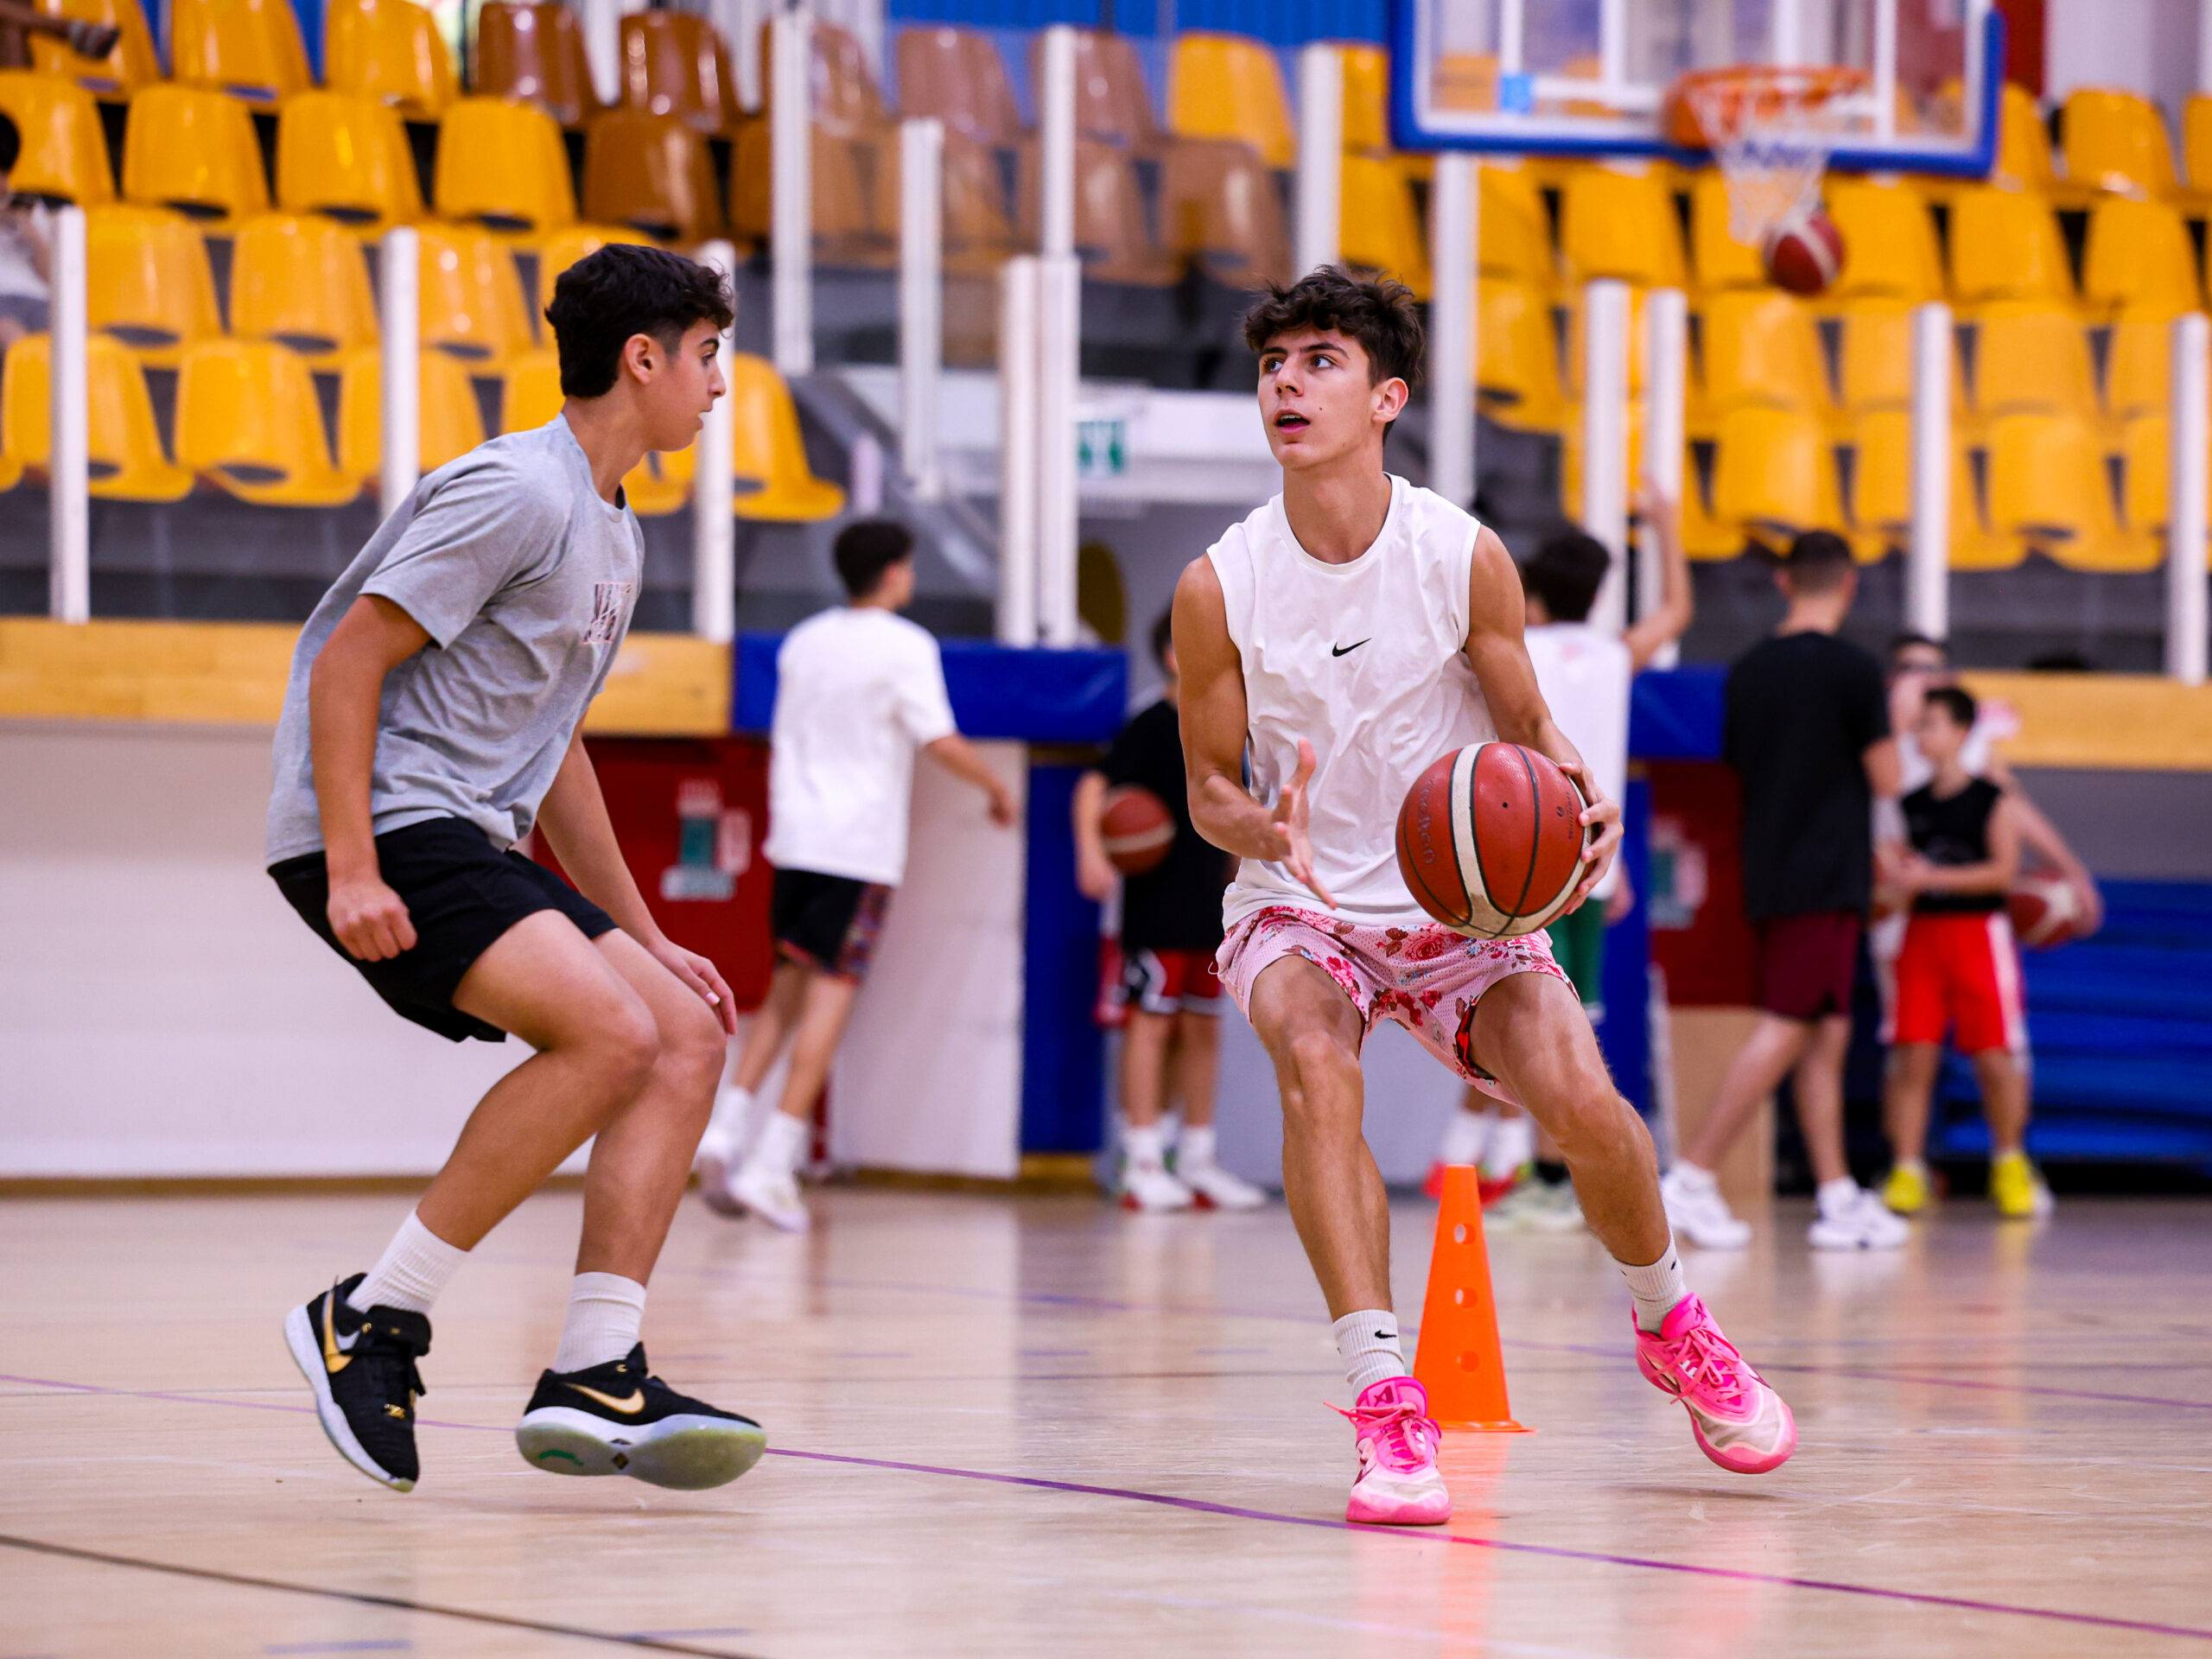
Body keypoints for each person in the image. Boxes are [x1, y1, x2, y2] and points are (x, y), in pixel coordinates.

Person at [1175, 267, 1796, 1528]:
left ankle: (1671, 1319)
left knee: (1584, 1103)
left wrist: (1575, 787)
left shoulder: (1458, 554)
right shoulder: (1219, 584)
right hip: (1299, 900)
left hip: (1459, 905)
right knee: (1314, 1066)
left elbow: (1526, 719)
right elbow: (1207, 789)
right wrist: (1258, 827)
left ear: (1386, 397)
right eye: (1274, 364)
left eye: (1320, 361)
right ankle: (1385, 1399)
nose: (1287, 383)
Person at [267, 245, 764, 1495]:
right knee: (608, 1035)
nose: (718, 384)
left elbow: (557, 746)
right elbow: (346, 662)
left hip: (470, 825)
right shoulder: (517, 491)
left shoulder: (614, 527)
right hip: (389, 822)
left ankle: (598, 1366)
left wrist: (646, 935)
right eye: (708, 356)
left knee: (680, 1028)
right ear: (643, 359)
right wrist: (352, 865)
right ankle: (371, 1315)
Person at [692, 520, 1016, 1231]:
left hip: (796, 840)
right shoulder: (906, 646)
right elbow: (938, 739)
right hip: (857, 848)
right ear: (895, 571)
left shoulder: (804, 642)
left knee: (784, 994)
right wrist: (995, 787)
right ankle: (773, 1164)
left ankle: (724, 1130)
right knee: (829, 1005)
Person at [1427, 484, 1694, 1232]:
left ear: (1530, 597)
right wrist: (1666, 525)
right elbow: (1676, 611)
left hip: (1511, 858)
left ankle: (1507, 1167)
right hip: (1586, 860)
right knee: (1567, 1023)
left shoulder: (1510, 654)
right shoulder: (1614, 654)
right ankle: (1519, 1166)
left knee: (1511, 1019)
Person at [1660, 531, 1907, 1252]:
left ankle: (1836, 1196)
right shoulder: (1856, 670)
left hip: (1769, 870)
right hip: (1827, 873)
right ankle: (1693, 1175)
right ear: (1849, 584)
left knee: (1825, 1034)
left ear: (1783, 582)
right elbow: (1889, 778)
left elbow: (1739, 765)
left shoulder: (1748, 671)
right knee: (1788, 1025)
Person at [1074, 609, 1266, 1212]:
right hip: (1155, 902)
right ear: (1174, 656)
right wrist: (1091, 853)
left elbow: (1234, 807)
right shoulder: (1151, 722)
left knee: (1204, 1027)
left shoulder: (1227, 725)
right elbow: (1093, 786)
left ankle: (1198, 1159)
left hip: (1212, 904)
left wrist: (1246, 874)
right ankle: (1141, 1158)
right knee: (1151, 1023)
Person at [1878, 685, 2052, 1219]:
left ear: (1961, 731)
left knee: (1996, 1058)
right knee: (1913, 1056)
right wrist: (1894, 885)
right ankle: (1907, 1168)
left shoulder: (1992, 798)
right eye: (1918, 726)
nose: (1921, 735)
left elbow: (2004, 872)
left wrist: (1932, 877)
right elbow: (1898, 875)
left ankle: (2010, 1163)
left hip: (1979, 935)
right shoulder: (1908, 804)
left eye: (1931, 724)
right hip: (1921, 936)